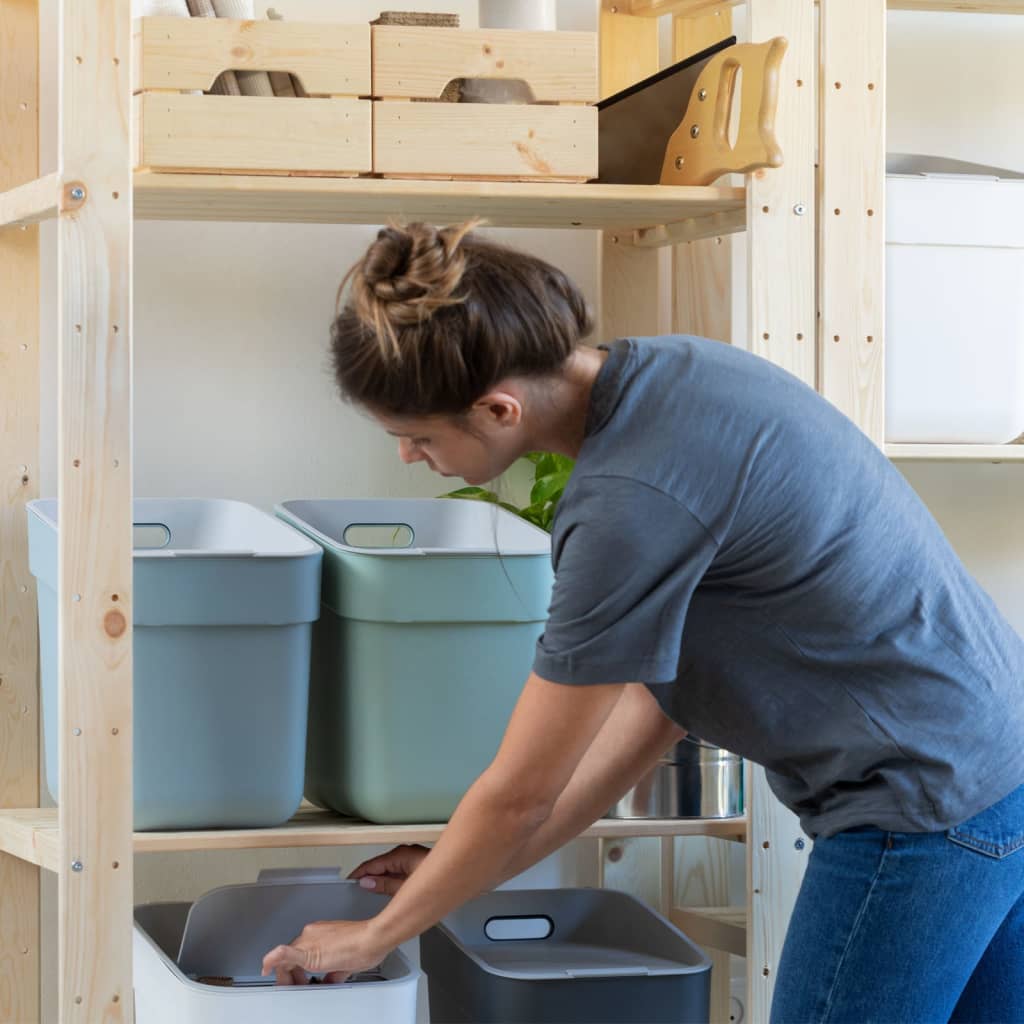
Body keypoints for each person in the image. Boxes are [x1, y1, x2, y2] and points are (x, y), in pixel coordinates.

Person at [262, 220, 1024, 1023]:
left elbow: (520, 793)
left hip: (919, 809)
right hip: (996, 766)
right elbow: (655, 705)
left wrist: (373, 936)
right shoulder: (679, 376)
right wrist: (464, 869)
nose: (410, 458)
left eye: (416, 436)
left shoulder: (627, 506)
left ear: (498, 408)